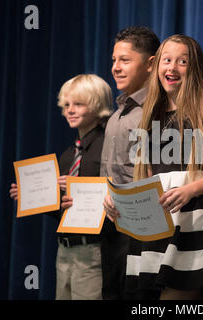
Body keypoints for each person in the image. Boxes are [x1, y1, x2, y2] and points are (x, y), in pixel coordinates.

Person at [105, 34, 203, 300]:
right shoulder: (148, 117)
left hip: (195, 220)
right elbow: (140, 175)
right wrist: (116, 199)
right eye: (167, 60)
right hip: (156, 221)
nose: (172, 68)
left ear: (195, 68)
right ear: (157, 66)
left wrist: (191, 190)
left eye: (182, 61)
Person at [61, 26, 160, 300]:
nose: (116, 67)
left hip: (144, 231)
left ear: (151, 63)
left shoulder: (157, 113)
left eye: (125, 60)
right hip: (112, 233)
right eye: (113, 61)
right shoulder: (117, 116)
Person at [10, 74, 113, 299]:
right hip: (65, 250)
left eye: (78, 104)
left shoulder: (108, 147)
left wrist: (85, 190)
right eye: (66, 105)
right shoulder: (68, 155)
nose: (70, 110)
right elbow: (64, 210)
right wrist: (32, 197)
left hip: (94, 250)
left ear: (97, 106)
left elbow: (118, 194)